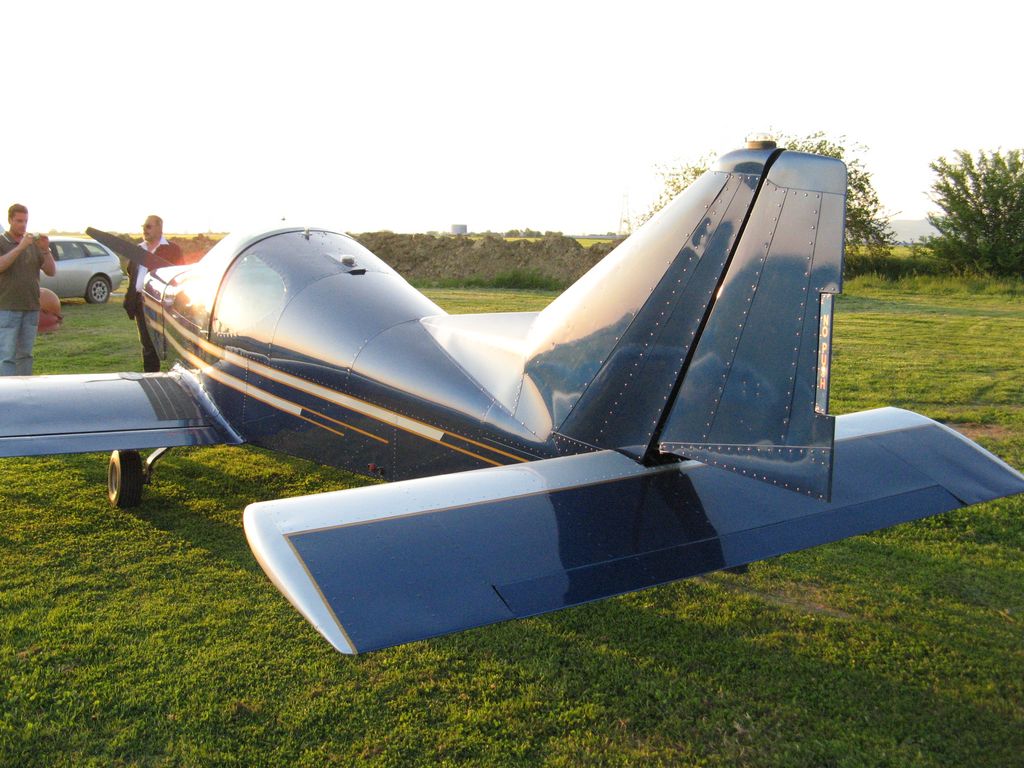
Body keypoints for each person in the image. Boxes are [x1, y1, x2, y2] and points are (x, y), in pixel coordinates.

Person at [0, 204, 56, 375]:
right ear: (10, 220)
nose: (23, 225)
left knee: (25, 355)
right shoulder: (2, 241)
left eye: (25, 221)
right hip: (7, 307)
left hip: (31, 307)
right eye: (19, 221)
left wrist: (45, 250)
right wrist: (20, 247)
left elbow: (51, 271)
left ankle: (26, 388)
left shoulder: (33, 244)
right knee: (7, 356)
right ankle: (7, 390)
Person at [125, 214, 183, 372]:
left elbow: (179, 275)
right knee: (147, 344)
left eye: (148, 226)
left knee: (169, 344)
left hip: (161, 303)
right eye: (143, 227)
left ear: (159, 228)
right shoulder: (138, 249)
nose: (145, 230)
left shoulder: (172, 250)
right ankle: (151, 377)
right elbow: (131, 271)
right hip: (140, 302)